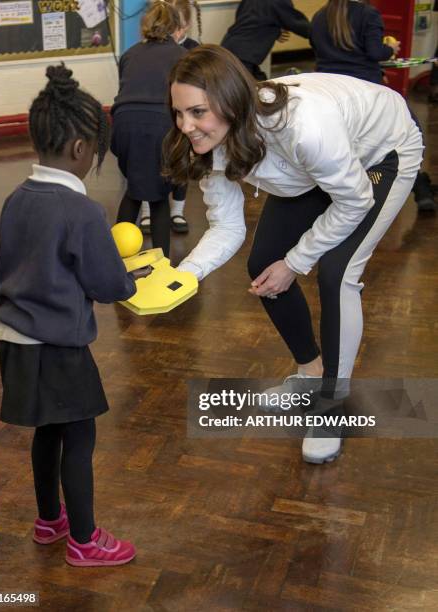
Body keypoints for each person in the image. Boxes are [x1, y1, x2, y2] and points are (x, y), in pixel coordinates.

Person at [163, 44, 423, 463]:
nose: (186, 126)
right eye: (179, 112)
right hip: (314, 167)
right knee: (263, 266)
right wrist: (187, 273)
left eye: (197, 112)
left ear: (230, 103)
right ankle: (310, 373)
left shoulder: (302, 127)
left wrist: (297, 262)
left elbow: (354, 200)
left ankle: (333, 404)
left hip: (382, 152)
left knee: (336, 274)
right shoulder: (218, 138)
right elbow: (227, 226)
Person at [0, 64, 149, 567]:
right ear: (82, 149)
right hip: (58, 347)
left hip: (14, 341)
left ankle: (49, 521)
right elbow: (107, 286)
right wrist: (130, 278)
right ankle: (84, 540)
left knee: (49, 432)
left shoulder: (16, 199)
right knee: (80, 437)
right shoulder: (82, 212)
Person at [311, 0, 436, 211]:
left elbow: (320, 52)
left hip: (328, 90)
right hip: (366, 90)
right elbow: (375, 53)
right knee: (409, 134)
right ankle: (421, 189)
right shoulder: (367, 14)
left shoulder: (320, 16)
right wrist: (390, 47)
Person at [110, 0, 187, 257]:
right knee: (158, 195)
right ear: (176, 27)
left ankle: (117, 257)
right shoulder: (182, 56)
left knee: (135, 187)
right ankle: (162, 263)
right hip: (160, 127)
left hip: (122, 127)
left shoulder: (129, 54)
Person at [138, 0, 203, 236]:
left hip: (180, 117)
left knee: (180, 164)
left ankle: (178, 210)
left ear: (185, 25)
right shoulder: (149, 51)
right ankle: (146, 210)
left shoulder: (193, 49)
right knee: (148, 166)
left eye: (181, 25)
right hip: (156, 116)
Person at [221, 0, 311, 81]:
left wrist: (274, 32)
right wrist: (320, 32)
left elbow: (251, 20)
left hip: (230, 49)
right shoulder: (278, 2)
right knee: (254, 92)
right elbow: (298, 24)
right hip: (243, 57)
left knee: (261, 85)